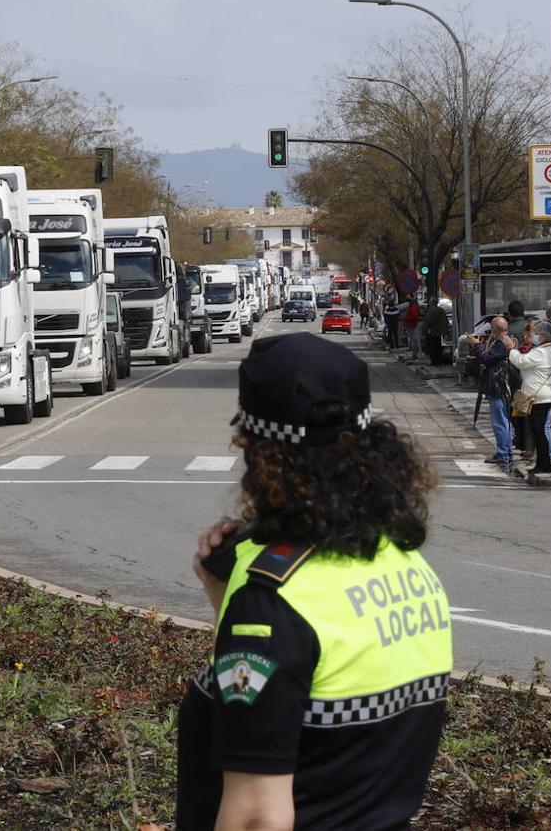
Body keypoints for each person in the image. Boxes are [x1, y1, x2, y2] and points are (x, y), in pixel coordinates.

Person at [177, 333, 451, 831]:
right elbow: (320, 714)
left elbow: (258, 815)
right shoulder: (405, 564)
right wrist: (221, 596)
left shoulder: (272, 602)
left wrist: (244, 609)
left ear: (261, 455)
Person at [508, 321, 551, 478]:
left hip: (540, 397)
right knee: (539, 429)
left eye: (535, 333)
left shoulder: (541, 352)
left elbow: (521, 362)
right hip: (545, 394)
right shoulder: (547, 349)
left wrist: (511, 349)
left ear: (543, 336)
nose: (533, 336)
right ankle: (544, 462)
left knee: (538, 430)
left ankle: (545, 463)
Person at [479, 316, 516, 472]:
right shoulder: (505, 341)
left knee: (500, 422)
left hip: (498, 387)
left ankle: (504, 454)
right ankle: (505, 452)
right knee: (503, 422)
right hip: (500, 387)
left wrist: (476, 347)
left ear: (495, 329)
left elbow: (487, 358)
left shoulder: (501, 343)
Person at [423, 297, 452, 366]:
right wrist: (444, 331)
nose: (429, 303)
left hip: (431, 332)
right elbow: (445, 322)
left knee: (431, 347)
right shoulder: (441, 310)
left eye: (430, 301)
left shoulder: (430, 311)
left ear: (432, 302)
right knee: (438, 347)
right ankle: (438, 361)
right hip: (439, 333)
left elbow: (427, 322)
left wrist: (424, 330)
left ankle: (434, 361)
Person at [403, 296, 422, 360]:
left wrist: (408, 319)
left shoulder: (413, 306)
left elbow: (415, 315)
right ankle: (415, 354)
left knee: (413, 340)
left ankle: (415, 355)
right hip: (412, 324)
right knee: (413, 340)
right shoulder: (414, 306)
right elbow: (417, 314)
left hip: (412, 325)